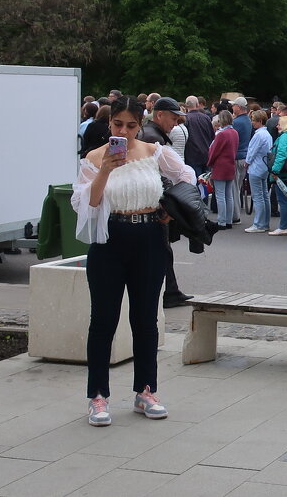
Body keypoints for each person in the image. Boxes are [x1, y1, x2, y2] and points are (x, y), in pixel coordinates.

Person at [72, 96, 195, 427]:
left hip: (149, 237)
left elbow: (187, 177)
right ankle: (98, 396)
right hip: (109, 239)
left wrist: (171, 210)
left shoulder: (155, 152)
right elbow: (88, 203)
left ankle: (146, 390)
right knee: (103, 320)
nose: (123, 132)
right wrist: (106, 169)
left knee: (145, 319)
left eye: (130, 126)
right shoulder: (94, 158)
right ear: (109, 123)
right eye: (117, 124)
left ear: (140, 126)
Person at [136, 96, 192, 308]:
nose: (175, 124)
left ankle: (170, 291)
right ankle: (168, 292)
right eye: (173, 118)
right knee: (161, 249)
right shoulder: (153, 138)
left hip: (153, 199)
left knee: (162, 250)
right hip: (154, 202)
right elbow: (162, 173)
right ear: (159, 115)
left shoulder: (152, 134)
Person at [206, 110, 240, 230]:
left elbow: (214, 151)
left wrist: (209, 163)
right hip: (230, 165)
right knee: (228, 195)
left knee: (220, 195)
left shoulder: (221, 134)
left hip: (220, 166)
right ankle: (228, 220)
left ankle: (221, 221)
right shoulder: (234, 132)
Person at [244, 110, 273, 233]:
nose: (252, 123)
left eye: (254, 120)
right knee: (265, 195)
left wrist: (247, 163)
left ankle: (259, 224)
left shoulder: (258, 135)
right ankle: (265, 223)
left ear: (260, 121)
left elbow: (252, 151)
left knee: (258, 197)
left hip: (256, 167)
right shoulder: (267, 134)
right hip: (264, 167)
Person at [183, 96, 215, 181]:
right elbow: (212, 136)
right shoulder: (206, 118)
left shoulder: (186, 119)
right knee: (206, 182)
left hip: (192, 156)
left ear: (186, 105)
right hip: (206, 155)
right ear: (197, 104)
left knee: (196, 182)